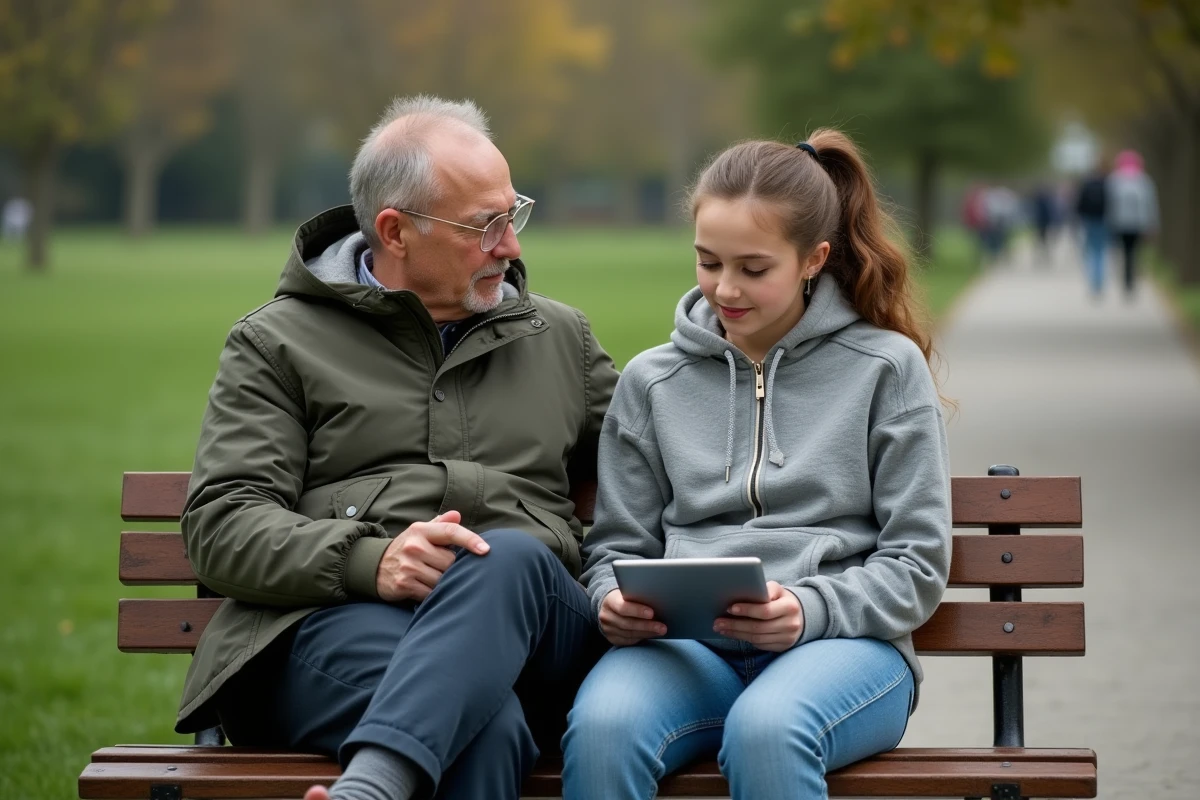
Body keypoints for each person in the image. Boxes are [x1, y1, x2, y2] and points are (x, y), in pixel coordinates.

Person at [177, 95, 618, 800]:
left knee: (507, 557)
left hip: (534, 636)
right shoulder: (276, 343)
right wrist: (371, 560)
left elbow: (663, 462)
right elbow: (222, 525)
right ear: (395, 231)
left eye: (513, 214)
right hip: (332, 631)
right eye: (486, 225)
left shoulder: (561, 339)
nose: (511, 246)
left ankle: (370, 790)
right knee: (483, 731)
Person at [562, 131, 953, 799]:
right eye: (708, 262)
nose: (725, 288)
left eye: (753, 268)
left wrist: (808, 607)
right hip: (687, 654)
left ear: (813, 259)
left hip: (842, 648)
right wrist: (610, 603)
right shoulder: (652, 381)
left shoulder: (886, 369)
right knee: (603, 728)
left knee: (768, 730)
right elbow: (616, 548)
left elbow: (917, 562)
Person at [1106, 150, 1159, 297]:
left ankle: (1126, 278)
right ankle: (1130, 279)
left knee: (1123, 251)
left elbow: (1109, 203)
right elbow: (1151, 204)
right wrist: (1153, 223)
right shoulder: (1144, 180)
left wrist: (1109, 221)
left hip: (1119, 222)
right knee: (1133, 251)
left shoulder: (1114, 180)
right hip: (1138, 223)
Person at [1075, 167, 1109, 296]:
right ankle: (1099, 280)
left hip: (1089, 221)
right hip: (1103, 221)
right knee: (1101, 251)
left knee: (1091, 251)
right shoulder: (1106, 186)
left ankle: (1092, 281)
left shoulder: (1086, 186)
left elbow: (1079, 205)